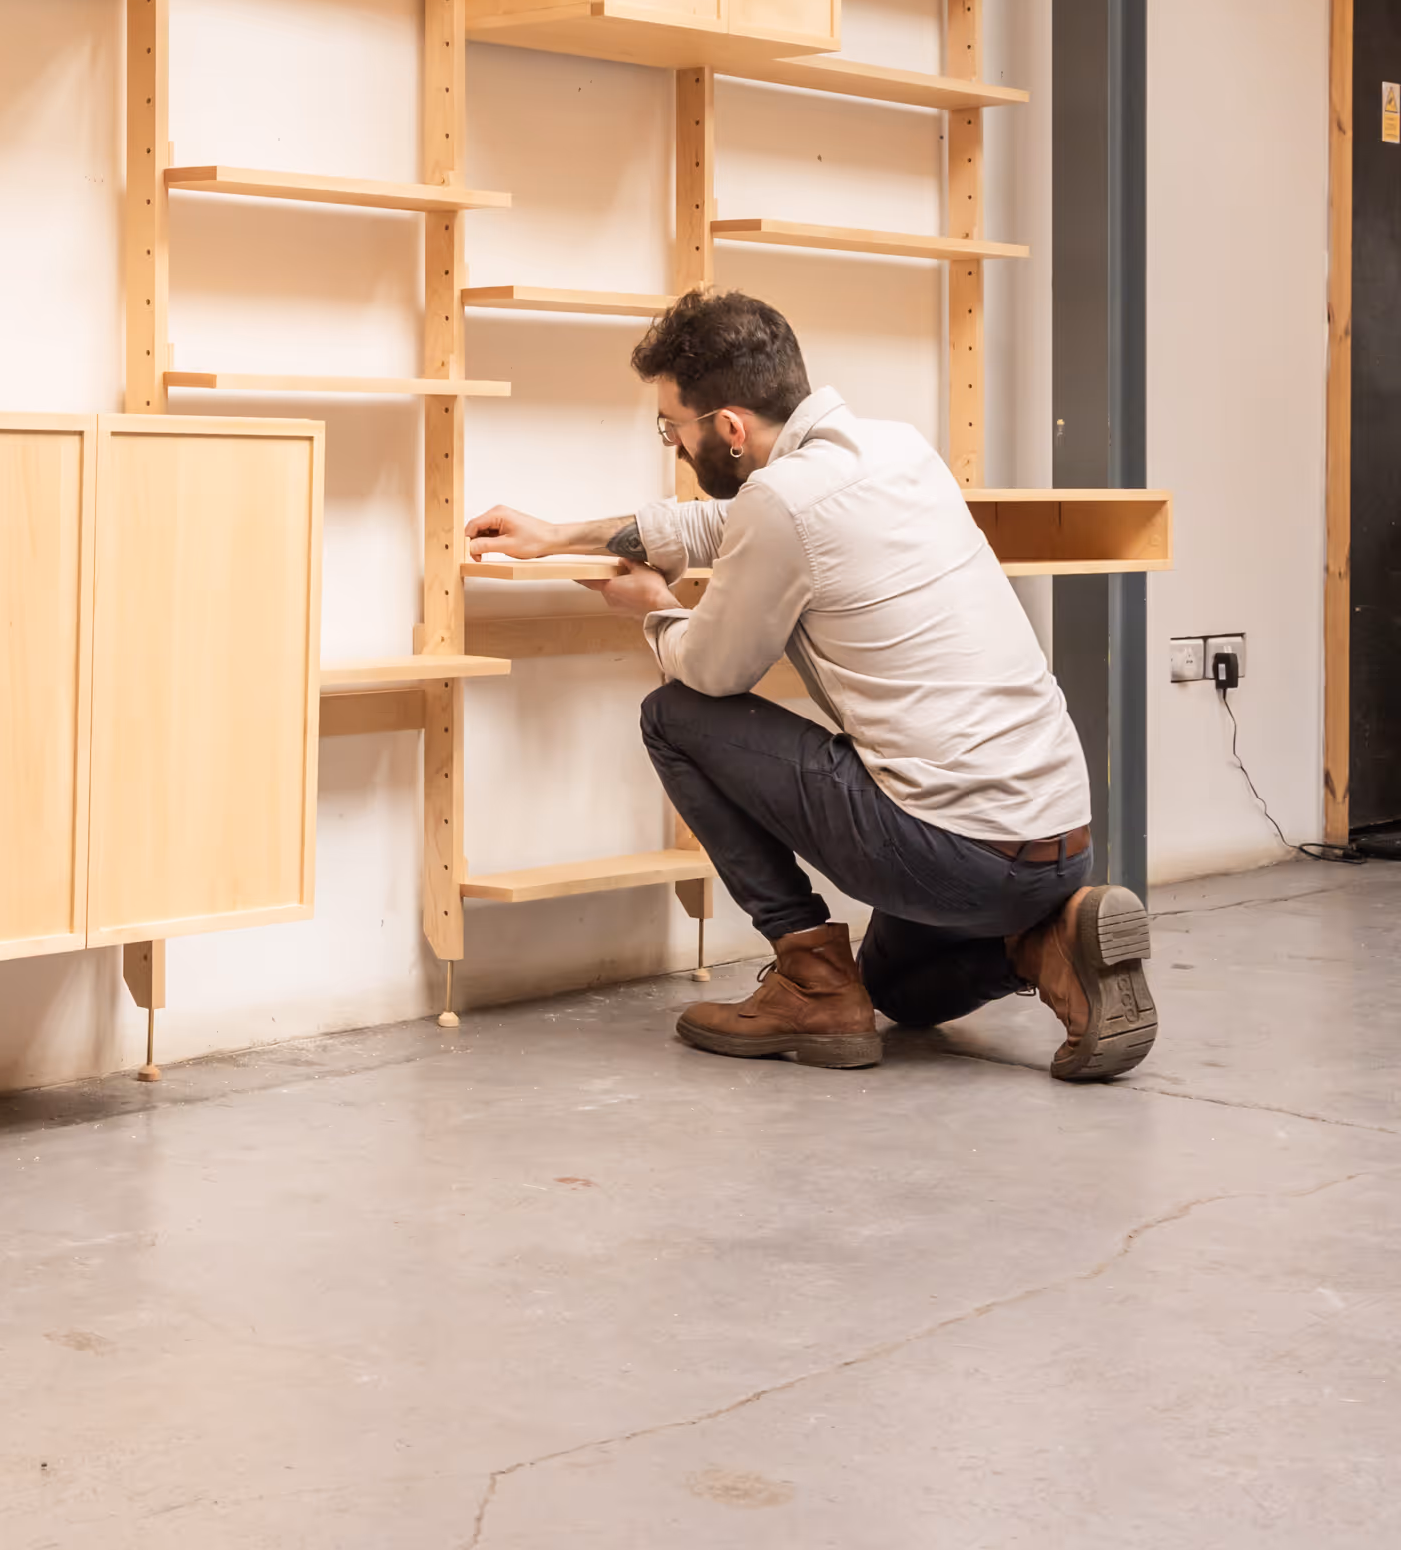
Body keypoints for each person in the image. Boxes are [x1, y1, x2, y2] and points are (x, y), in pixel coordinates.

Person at [465, 288, 1156, 1083]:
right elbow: (720, 526)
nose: (674, 446)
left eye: (673, 428)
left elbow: (713, 671)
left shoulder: (782, 500)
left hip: (958, 854)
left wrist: (654, 610)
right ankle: (1046, 940)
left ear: (729, 428)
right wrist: (560, 534)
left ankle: (809, 979)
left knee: (675, 715)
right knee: (896, 991)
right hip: (1061, 843)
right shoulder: (897, 449)